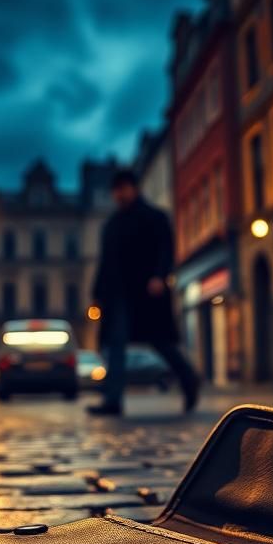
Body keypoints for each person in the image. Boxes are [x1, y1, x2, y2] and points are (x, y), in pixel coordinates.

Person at [88, 170, 199, 416]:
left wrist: (160, 275)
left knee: (161, 342)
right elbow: (104, 263)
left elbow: (166, 249)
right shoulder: (111, 225)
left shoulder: (154, 217)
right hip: (117, 295)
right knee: (115, 346)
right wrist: (96, 294)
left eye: (123, 188)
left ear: (134, 188)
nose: (119, 194)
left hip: (147, 293)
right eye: (116, 190)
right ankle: (113, 400)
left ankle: (189, 379)